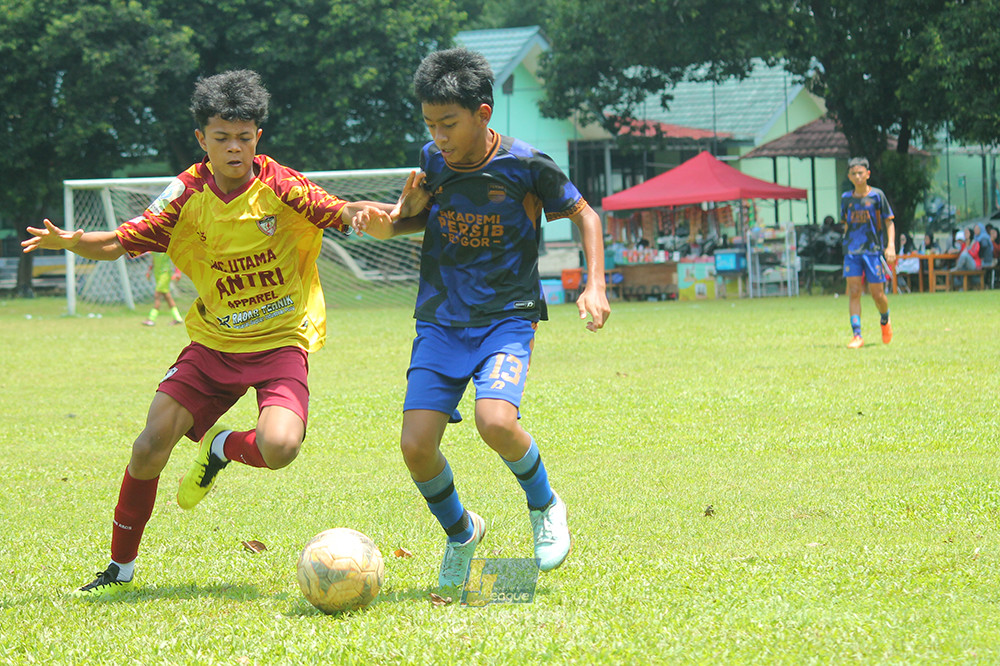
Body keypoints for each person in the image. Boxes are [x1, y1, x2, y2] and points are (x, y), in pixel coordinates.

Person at [21, 70, 405, 597]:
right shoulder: (185, 194)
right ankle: (119, 570)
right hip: (213, 346)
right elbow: (119, 242)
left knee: (280, 447)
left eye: (244, 137)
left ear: (257, 138)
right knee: (149, 446)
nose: (234, 148)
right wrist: (73, 242)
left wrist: (368, 214)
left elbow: (339, 211)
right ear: (202, 139)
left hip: (279, 342)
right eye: (222, 137)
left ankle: (221, 447)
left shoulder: (281, 185)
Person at [352, 48, 611, 587]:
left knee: (495, 421)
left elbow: (585, 214)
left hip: (507, 317)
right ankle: (462, 532)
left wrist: (595, 284)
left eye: (448, 123)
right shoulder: (432, 160)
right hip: (441, 319)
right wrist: (386, 225)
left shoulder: (527, 164)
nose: (439, 135)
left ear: (482, 114)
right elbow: (416, 219)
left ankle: (545, 504)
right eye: (430, 124)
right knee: (415, 446)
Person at [841, 157, 895, 349]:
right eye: (853, 174)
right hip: (852, 251)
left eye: (860, 173)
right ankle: (857, 335)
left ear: (868, 174)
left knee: (877, 294)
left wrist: (890, 246)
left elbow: (889, 221)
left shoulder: (877, 196)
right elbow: (845, 223)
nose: (857, 176)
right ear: (849, 176)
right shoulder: (846, 198)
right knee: (854, 291)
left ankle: (885, 319)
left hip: (872, 251)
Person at [143, 252, 184, 326]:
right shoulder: (153, 249)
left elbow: (176, 258)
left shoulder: (165, 248)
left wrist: (177, 272)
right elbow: (153, 261)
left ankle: (151, 319)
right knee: (167, 297)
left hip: (165, 274)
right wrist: (149, 271)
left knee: (157, 295)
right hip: (157, 274)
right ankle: (177, 318)